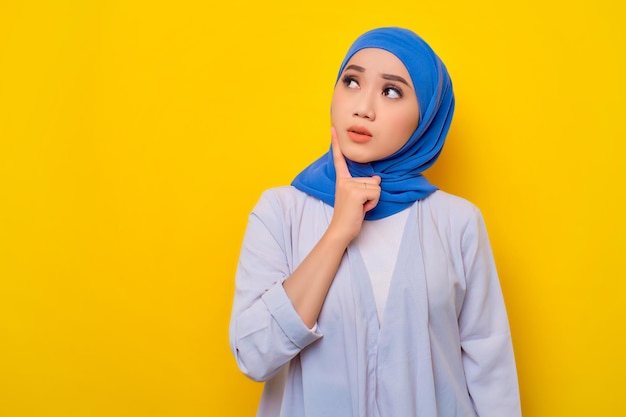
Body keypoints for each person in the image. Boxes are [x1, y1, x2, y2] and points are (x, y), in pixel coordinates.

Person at [229, 27, 521, 417]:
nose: (363, 107)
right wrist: (337, 233)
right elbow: (253, 355)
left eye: (391, 91)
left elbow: (492, 375)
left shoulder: (457, 223)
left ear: (427, 116)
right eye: (351, 82)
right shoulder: (280, 213)